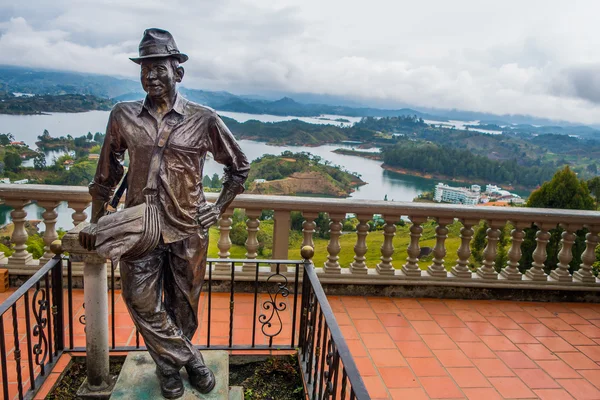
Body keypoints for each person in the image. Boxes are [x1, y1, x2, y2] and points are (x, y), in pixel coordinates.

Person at [79, 28, 250, 399]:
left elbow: (239, 167)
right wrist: (96, 221)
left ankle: (168, 368)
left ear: (178, 72)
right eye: (145, 69)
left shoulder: (204, 119)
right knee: (138, 297)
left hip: (188, 226)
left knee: (183, 307)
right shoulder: (123, 116)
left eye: (159, 68)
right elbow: (105, 175)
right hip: (139, 227)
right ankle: (192, 360)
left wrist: (218, 209)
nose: (151, 76)